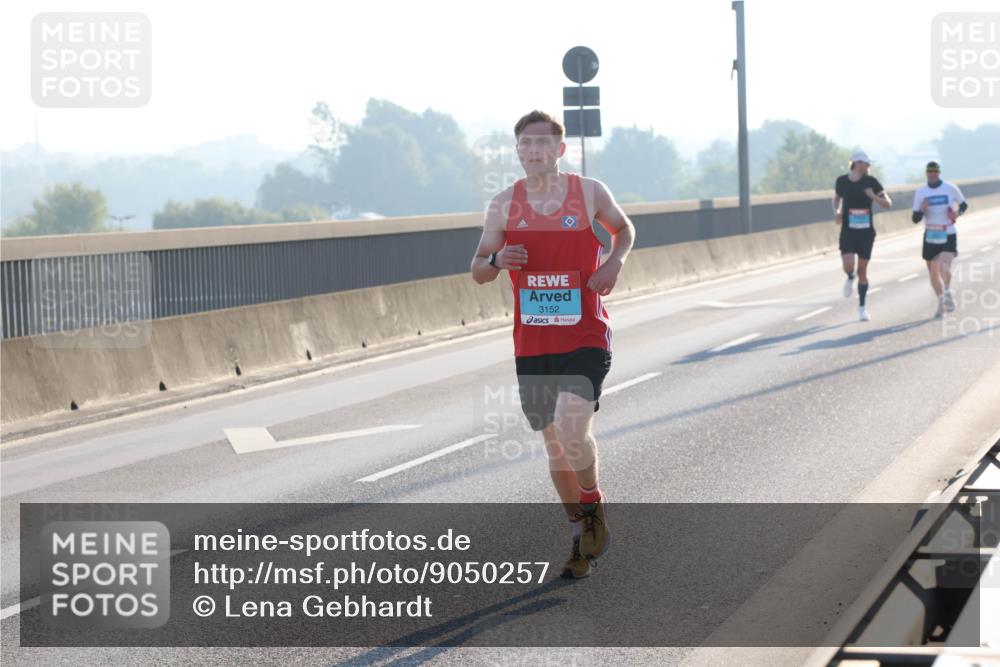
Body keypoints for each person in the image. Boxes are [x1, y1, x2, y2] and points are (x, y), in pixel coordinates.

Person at [470, 110, 635, 579]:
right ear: (517, 151)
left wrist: (613, 263)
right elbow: (478, 269)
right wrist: (498, 259)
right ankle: (579, 537)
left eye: (543, 143)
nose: (534, 150)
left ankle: (593, 501)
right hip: (534, 343)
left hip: (585, 334)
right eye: (526, 143)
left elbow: (624, 230)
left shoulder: (589, 192)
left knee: (570, 425)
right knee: (555, 445)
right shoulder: (503, 205)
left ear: (560, 150)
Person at [833, 150, 892, 321]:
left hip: (866, 233)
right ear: (857, 164)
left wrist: (873, 196)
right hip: (848, 231)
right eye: (866, 163)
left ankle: (862, 308)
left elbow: (888, 204)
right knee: (848, 265)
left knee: (863, 271)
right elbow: (836, 199)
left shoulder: (871, 182)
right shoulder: (841, 181)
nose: (869, 166)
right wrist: (837, 211)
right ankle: (849, 276)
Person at [912, 161, 967, 318]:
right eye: (929, 171)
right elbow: (915, 218)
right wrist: (922, 210)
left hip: (947, 232)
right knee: (933, 275)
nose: (932, 174)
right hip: (930, 235)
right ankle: (941, 302)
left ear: (939, 173)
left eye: (935, 171)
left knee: (944, 267)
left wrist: (956, 214)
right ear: (926, 173)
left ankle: (948, 290)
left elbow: (964, 205)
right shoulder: (921, 192)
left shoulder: (950, 188)